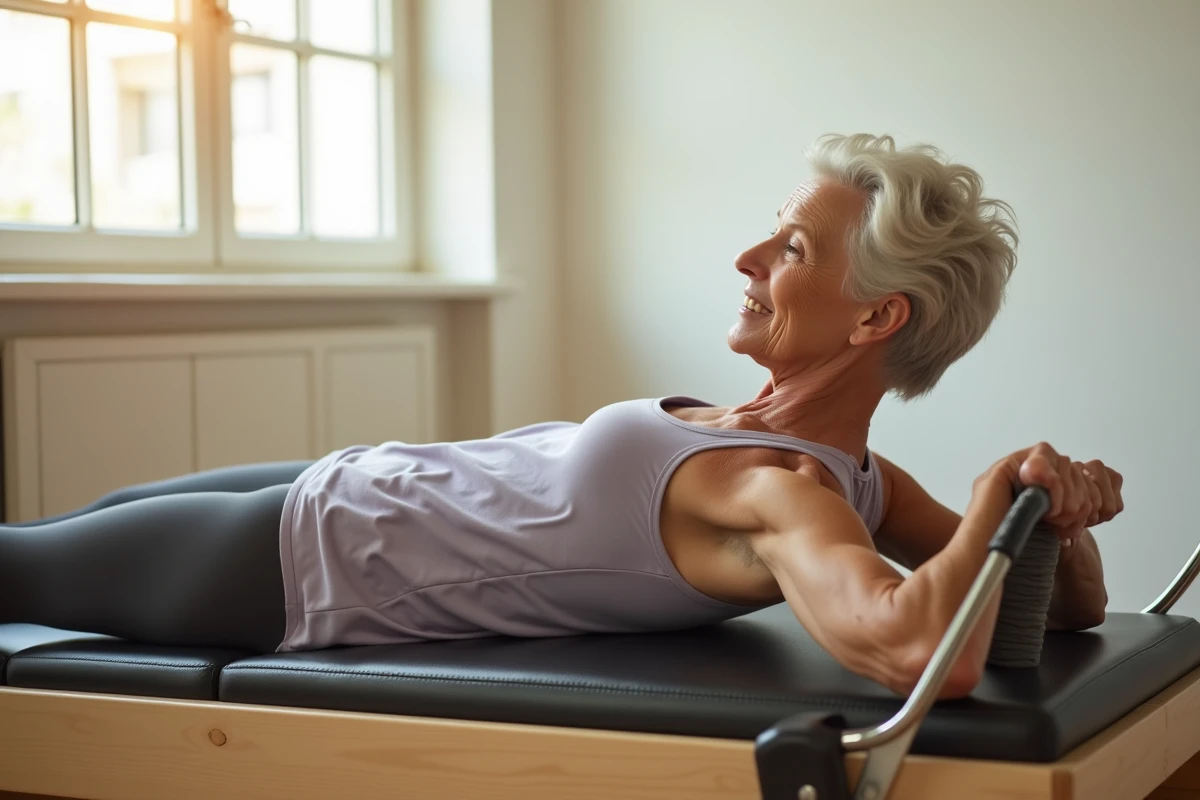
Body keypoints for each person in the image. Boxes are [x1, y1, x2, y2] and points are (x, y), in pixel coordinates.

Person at [0, 134, 1122, 699]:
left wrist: (1002, 495)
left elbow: (923, 646)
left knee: (18, 564)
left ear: (877, 316)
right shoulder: (855, 479)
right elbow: (1071, 607)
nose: (747, 257)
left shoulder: (788, 492)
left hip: (306, 560)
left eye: (789, 249)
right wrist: (1054, 514)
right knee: (72, 525)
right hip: (334, 483)